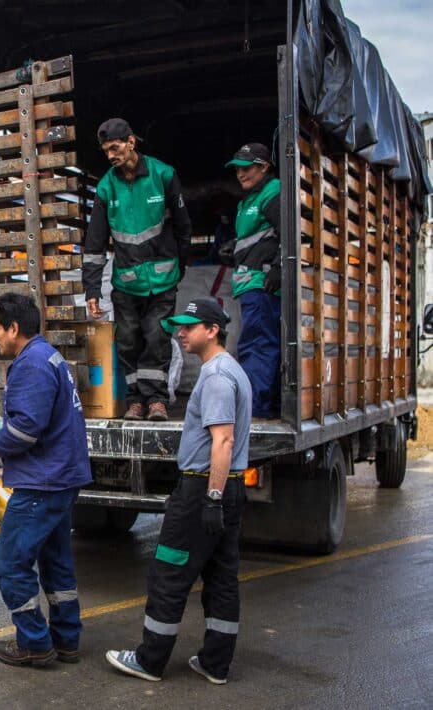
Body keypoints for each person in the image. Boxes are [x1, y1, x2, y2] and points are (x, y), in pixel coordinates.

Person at [106, 298, 251, 684]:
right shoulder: (229, 370)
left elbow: (222, 441)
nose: (181, 333)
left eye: (189, 326)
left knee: (168, 572)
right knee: (221, 577)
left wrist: (211, 499)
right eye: (180, 326)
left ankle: (149, 660)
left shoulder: (218, 377)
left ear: (213, 330)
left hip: (205, 487)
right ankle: (215, 664)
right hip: (228, 487)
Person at [0, 293, 93, 667]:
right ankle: (67, 639)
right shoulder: (49, 357)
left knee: (10, 562)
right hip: (59, 478)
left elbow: (25, 430)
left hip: (43, 483)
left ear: (14, 328)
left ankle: (35, 642)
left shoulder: (31, 364)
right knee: (55, 561)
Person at [83, 117, 193, 421]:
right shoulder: (106, 188)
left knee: (157, 338)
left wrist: (180, 266)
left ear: (131, 142)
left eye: (115, 148)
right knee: (129, 341)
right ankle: (135, 401)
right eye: (106, 151)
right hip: (127, 283)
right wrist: (92, 289)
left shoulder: (164, 175)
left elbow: (184, 228)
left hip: (163, 279)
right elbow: (94, 245)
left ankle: (156, 401)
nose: (110, 156)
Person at [220, 142, 282, 418]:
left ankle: (256, 408)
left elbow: (290, 232)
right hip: (249, 285)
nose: (240, 175)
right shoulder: (250, 200)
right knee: (256, 344)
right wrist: (234, 248)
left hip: (262, 285)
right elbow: (259, 237)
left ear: (264, 166)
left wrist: (279, 267)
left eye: (246, 168)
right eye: (237, 170)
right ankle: (262, 405)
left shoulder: (273, 192)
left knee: (257, 346)